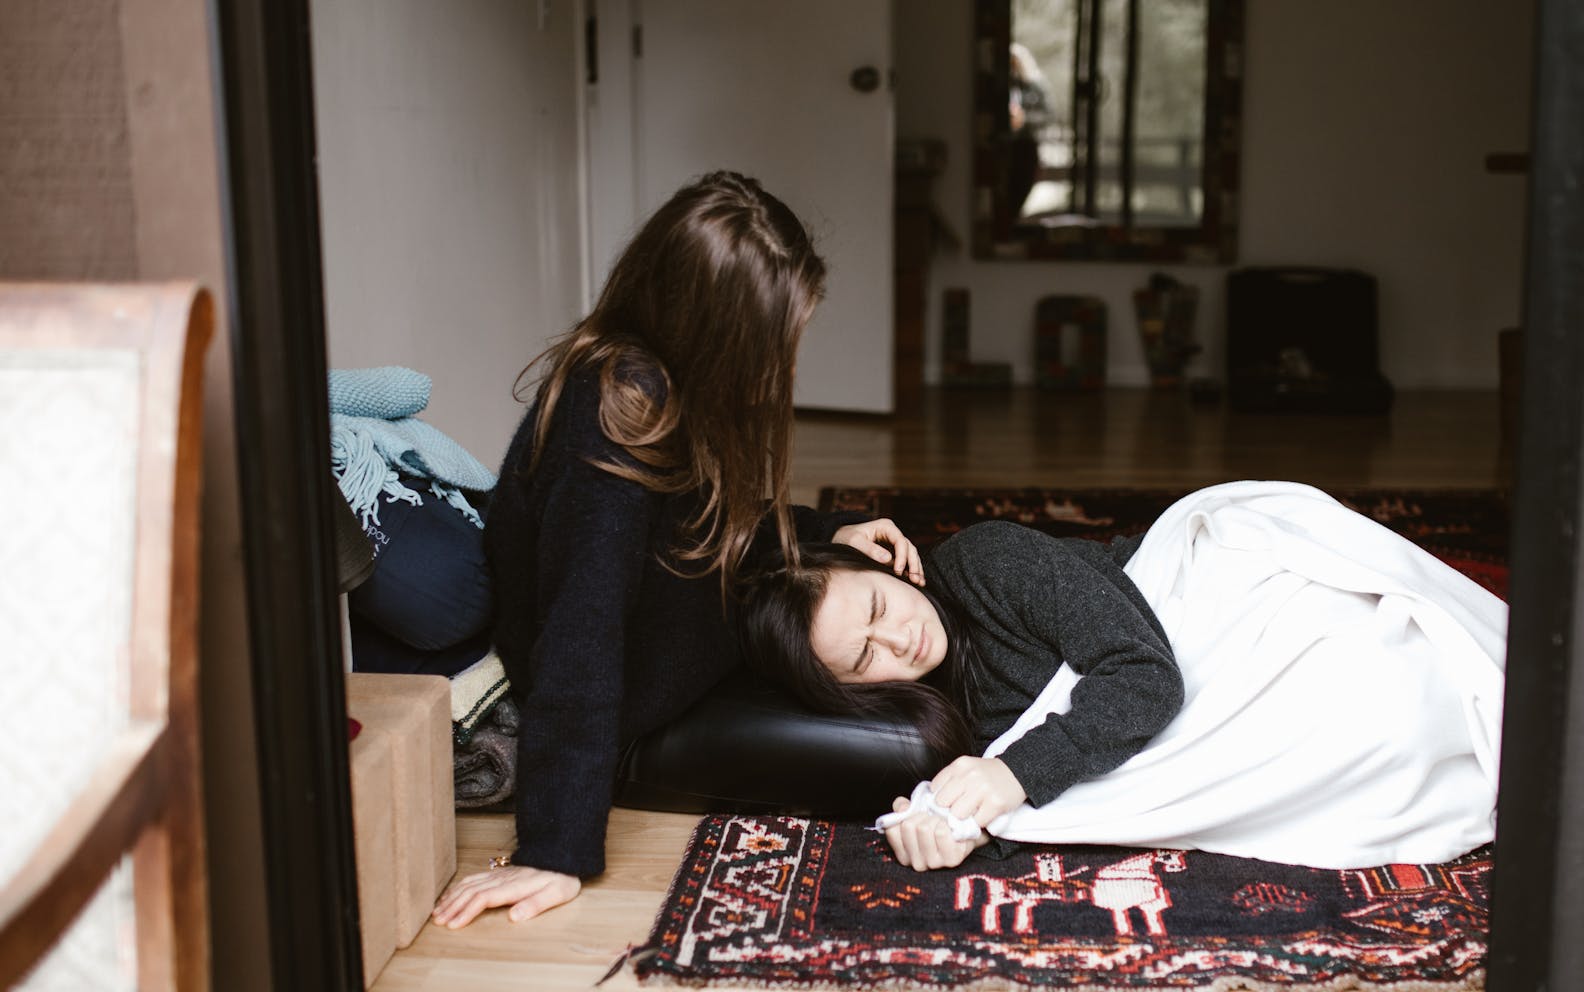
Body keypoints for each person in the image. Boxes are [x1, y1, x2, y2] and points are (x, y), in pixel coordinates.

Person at [431, 171, 925, 929]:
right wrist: (554, 847)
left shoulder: (659, 384)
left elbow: (702, 522)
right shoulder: (609, 425)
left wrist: (823, 534)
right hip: (630, 706)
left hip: (687, 628)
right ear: (716, 334)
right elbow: (580, 633)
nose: (790, 364)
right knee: (909, 752)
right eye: (779, 343)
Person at [740, 480, 1508, 873]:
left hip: (1193, 609)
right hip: (1141, 684)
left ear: (887, 562)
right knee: (1378, 741)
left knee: (1401, 691)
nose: (898, 637)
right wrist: (954, 825)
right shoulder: (919, 715)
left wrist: (1011, 778)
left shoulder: (986, 559)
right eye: (866, 656)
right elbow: (1045, 797)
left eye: (879, 604)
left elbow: (1145, 676)